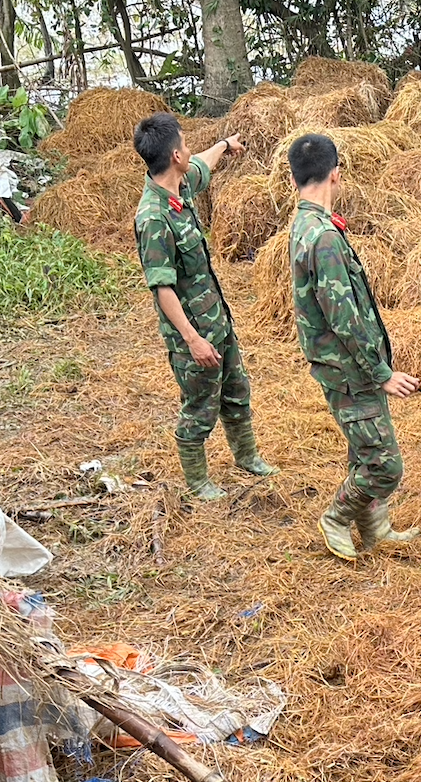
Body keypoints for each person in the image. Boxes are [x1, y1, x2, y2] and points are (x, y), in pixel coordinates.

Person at [287, 133, 421, 562]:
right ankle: (336, 516)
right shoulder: (322, 237)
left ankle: (375, 526)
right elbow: (344, 316)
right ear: (336, 175)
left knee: (363, 450)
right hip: (349, 369)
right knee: (384, 464)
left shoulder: (306, 226)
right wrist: (380, 372)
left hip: (343, 365)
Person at [132, 112, 275, 500]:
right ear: (174, 154)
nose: (190, 150)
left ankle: (247, 456)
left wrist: (225, 146)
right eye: (185, 143)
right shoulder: (154, 218)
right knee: (200, 406)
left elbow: (202, 165)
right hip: (192, 334)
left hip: (217, 319)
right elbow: (162, 289)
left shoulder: (179, 187)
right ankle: (197, 480)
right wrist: (193, 340)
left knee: (236, 389)